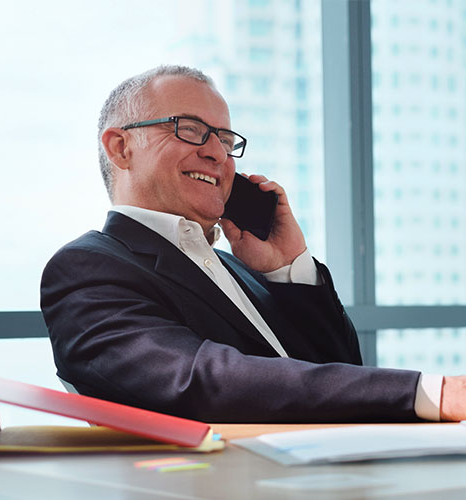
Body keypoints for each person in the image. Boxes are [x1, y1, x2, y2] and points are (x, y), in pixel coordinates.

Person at [40, 65, 466, 423]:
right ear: (121, 147)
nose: (217, 154)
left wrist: (287, 267)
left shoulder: (241, 270)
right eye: (190, 129)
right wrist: (428, 391)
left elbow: (343, 370)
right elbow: (201, 380)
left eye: (225, 140)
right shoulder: (87, 268)